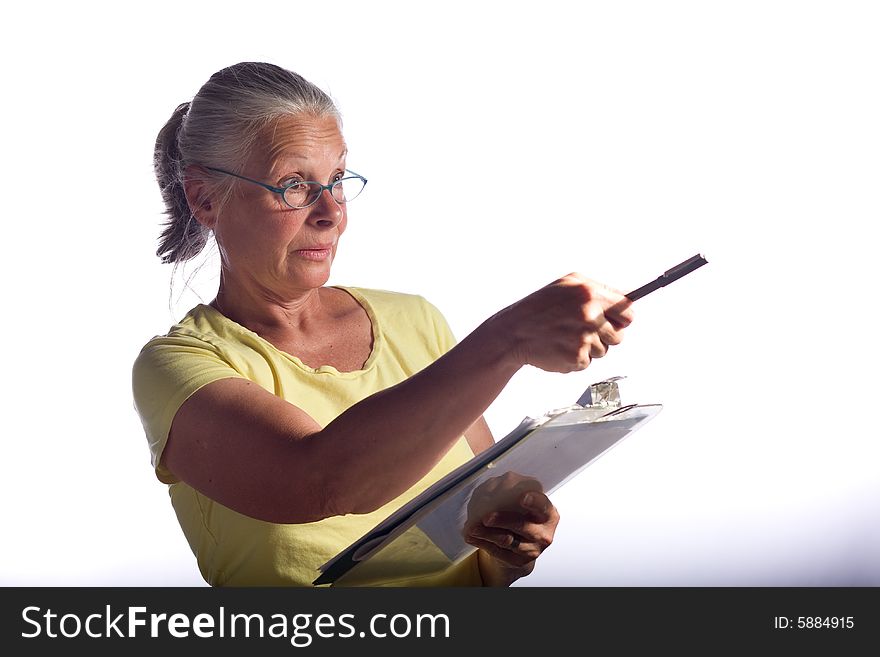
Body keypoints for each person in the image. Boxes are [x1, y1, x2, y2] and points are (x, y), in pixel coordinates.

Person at [132, 62, 634, 587]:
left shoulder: (413, 321)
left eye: (338, 180)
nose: (331, 213)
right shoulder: (177, 368)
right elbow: (321, 481)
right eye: (294, 184)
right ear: (205, 198)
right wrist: (507, 339)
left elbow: (474, 534)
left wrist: (509, 547)